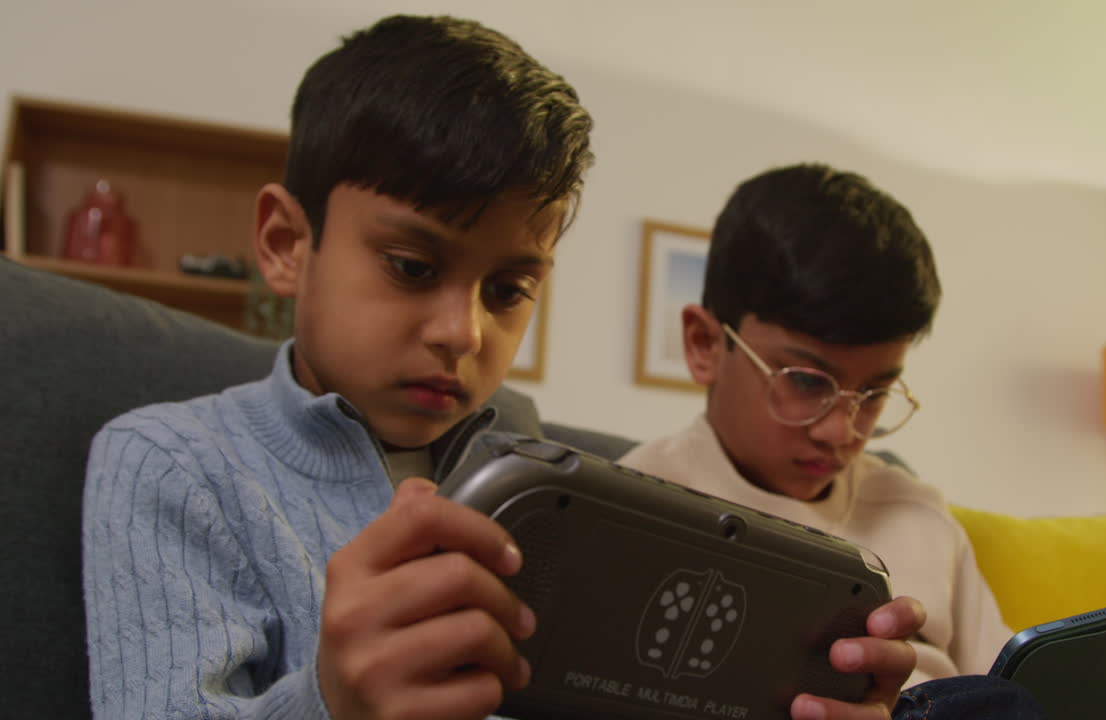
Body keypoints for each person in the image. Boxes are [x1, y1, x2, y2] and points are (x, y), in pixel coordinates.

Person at [81, 17, 927, 720]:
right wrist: (329, 702)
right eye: (412, 266)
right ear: (285, 244)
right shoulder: (170, 462)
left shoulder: (531, 463)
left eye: (511, 287)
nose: (463, 331)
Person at [619, 163, 1043, 715]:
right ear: (703, 344)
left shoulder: (920, 512)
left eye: (874, 392)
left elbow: (1014, 693)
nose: (841, 432)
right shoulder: (628, 511)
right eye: (804, 381)